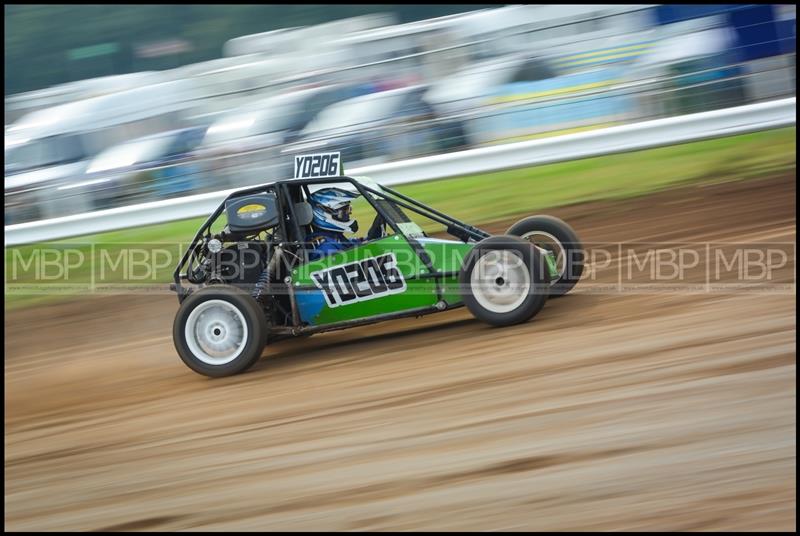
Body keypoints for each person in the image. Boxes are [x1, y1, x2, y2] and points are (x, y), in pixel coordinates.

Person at [306, 187, 363, 261]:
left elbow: (350, 244)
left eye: (349, 208)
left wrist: (374, 231)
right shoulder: (326, 249)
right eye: (344, 210)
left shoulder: (333, 236)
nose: (349, 213)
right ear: (323, 214)